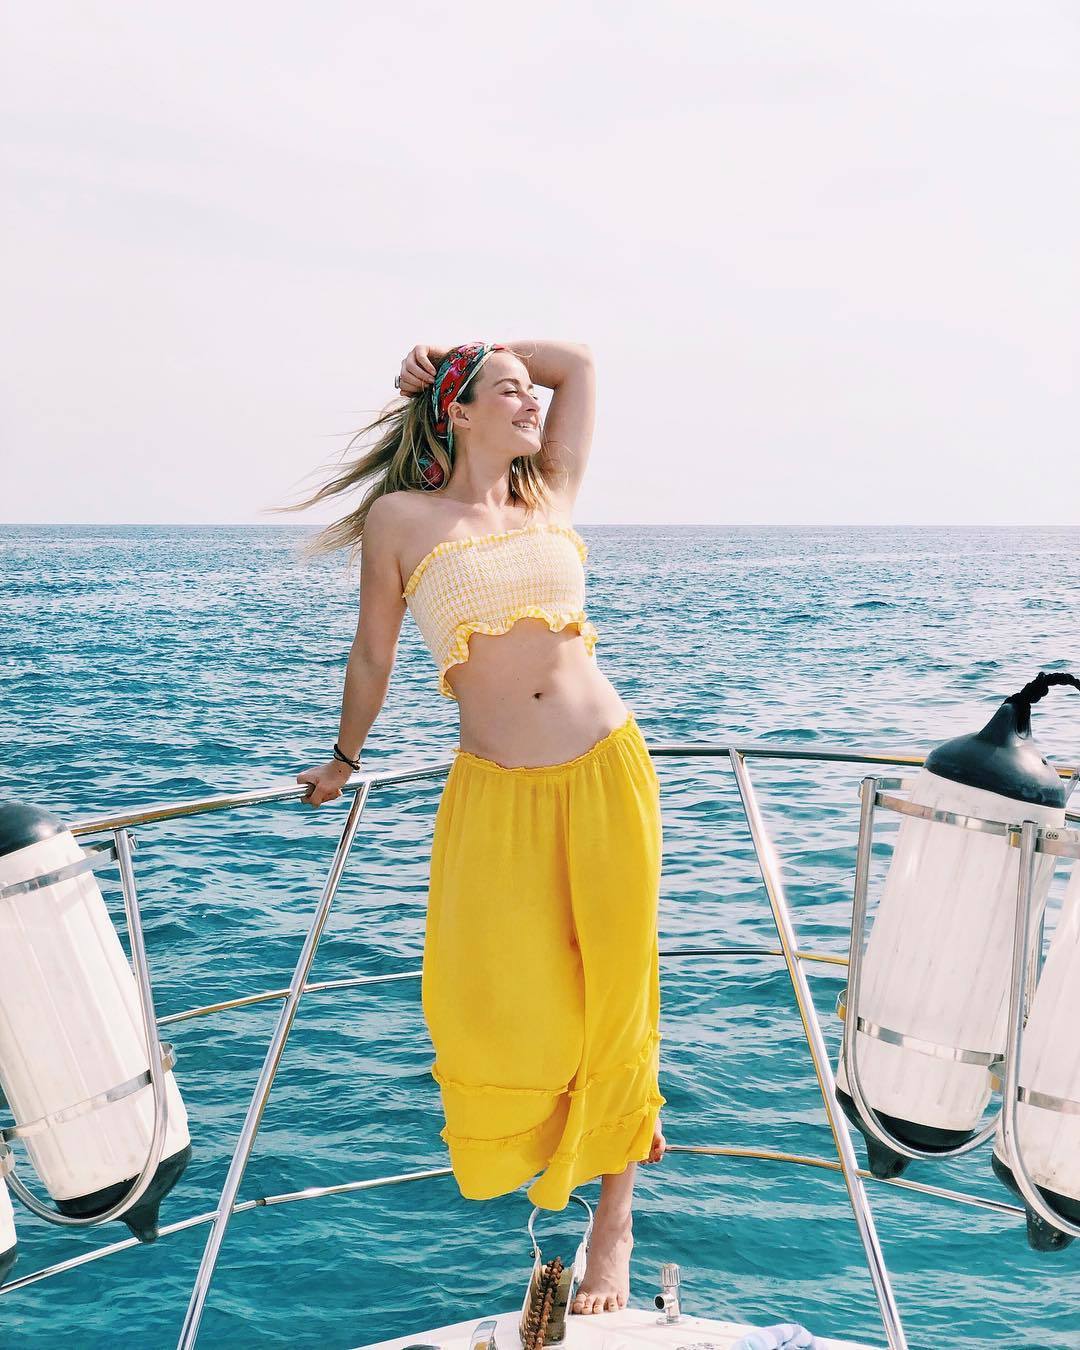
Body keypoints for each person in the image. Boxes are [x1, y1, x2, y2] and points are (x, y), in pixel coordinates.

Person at [289, 340, 666, 1316]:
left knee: (618, 993)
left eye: (529, 392)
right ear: (458, 413)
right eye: (508, 390)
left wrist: (477, 341)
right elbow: (372, 653)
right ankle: (557, 1143)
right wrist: (344, 757)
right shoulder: (401, 520)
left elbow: (579, 365)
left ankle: (613, 1222)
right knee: (494, 996)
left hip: (609, 770)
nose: (531, 400)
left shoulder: (552, 494)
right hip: (498, 796)